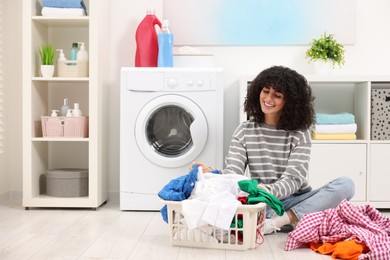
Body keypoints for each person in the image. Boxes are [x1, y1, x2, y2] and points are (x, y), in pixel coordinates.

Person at [194, 65, 355, 235]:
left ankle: (280, 221)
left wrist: (267, 192)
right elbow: (233, 173)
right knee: (237, 201)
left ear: (290, 102)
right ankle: (299, 219)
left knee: (346, 185)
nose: (268, 99)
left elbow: (294, 179)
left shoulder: (300, 132)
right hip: (263, 201)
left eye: (277, 95)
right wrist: (212, 173)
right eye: (265, 91)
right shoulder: (244, 130)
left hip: (294, 199)